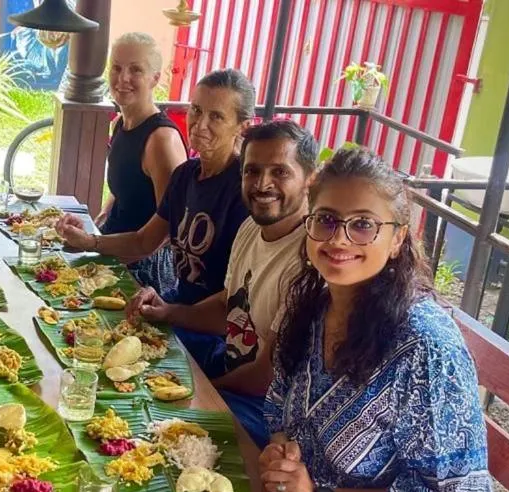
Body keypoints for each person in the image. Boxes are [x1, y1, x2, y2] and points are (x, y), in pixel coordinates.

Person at [258, 146, 497, 492]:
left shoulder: (424, 348)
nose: (338, 239)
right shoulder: (314, 309)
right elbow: (279, 404)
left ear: (397, 239)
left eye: (363, 225)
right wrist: (281, 457)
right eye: (326, 219)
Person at [127, 120, 319, 449]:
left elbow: (265, 377)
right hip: (229, 362)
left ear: (309, 180)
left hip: (267, 408)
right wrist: (167, 311)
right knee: (137, 345)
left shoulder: (308, 259)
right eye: (252, 171)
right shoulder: (250, 228)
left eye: (280, 172)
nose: (263, 184)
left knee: (153, 424)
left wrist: (203, 391)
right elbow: (226, 306)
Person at [56, 69, 252, 375]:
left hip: (212, 334)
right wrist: (89, 242)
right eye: (196, 110)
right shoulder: (186, 175)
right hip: (175, 304)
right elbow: (144, 241)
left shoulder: (243, 192)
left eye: (216, 117)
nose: (200, 124)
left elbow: (234, 306)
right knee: (80, 330)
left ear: (242, 126)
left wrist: (171, 312)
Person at [96, 32, 188, 295]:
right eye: (116, 68)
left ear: (155, 78)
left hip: (145, 269)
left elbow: (169, 230)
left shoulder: (161, 140)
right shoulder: (120, 124)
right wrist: (100, 219)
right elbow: (124, 188)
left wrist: (94, 244)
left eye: (135, 70)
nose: (123, 78)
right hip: (112, 246)